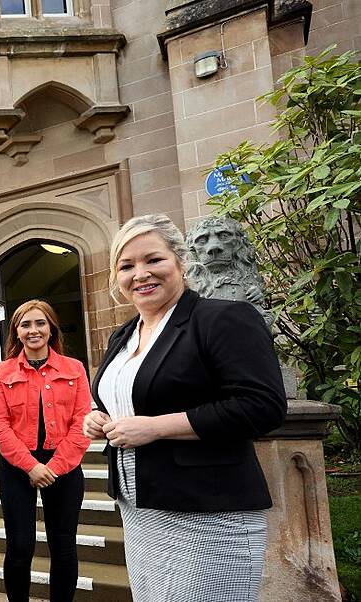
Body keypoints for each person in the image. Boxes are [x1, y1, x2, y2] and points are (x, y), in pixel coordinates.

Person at [82, 214, 286, 601]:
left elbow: (262, 406)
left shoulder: (222, 317)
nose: (140, 274)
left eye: (153, 260)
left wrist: (156, 427)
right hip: (140, 509)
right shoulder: (124, 334)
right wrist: (100, 417)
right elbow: (130, 398)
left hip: (208, 512)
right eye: (126, 266)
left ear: (181, 261)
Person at [0, 299, 90, 602]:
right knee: (19, 546)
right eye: (26, 324)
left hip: (64, 466)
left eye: (40, 323)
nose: (33, 330)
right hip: (17, 467)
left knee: (64, 547)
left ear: (51, 327)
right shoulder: (2, 372)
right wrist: (30, 466)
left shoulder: (74, 369)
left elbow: (82, 422)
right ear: (16, 332)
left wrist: (55, 466)